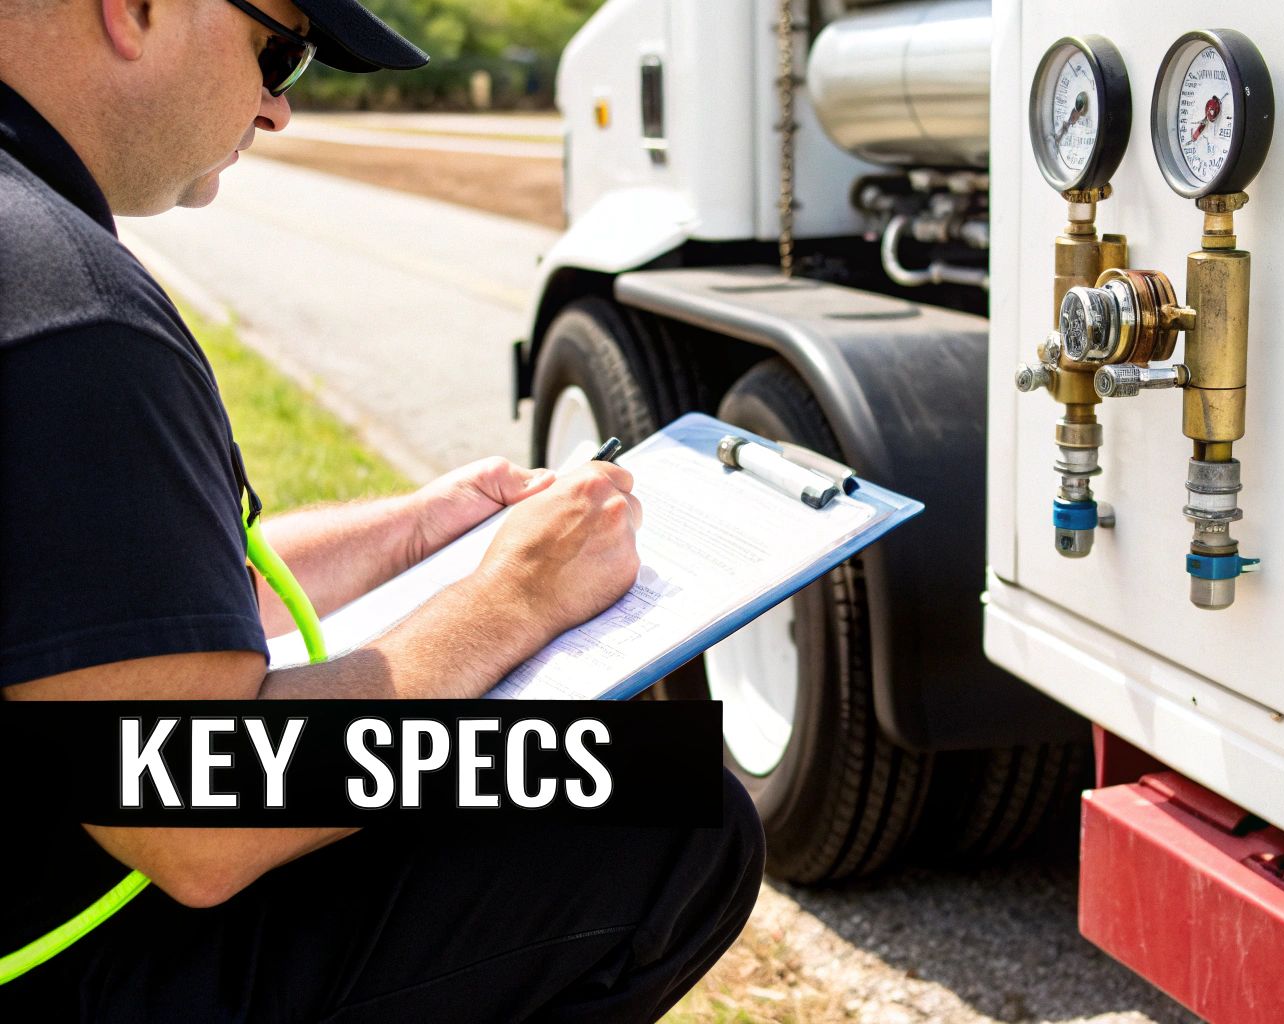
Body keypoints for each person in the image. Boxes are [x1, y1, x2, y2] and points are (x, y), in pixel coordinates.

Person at [0, 0, 763, 1018]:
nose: (277, 108)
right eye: (279, 51)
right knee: (670, 813)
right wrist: (513, 599)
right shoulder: (74, 314)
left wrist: (413, 532)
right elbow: (197, 812)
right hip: (62, 958)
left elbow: (109, 620)